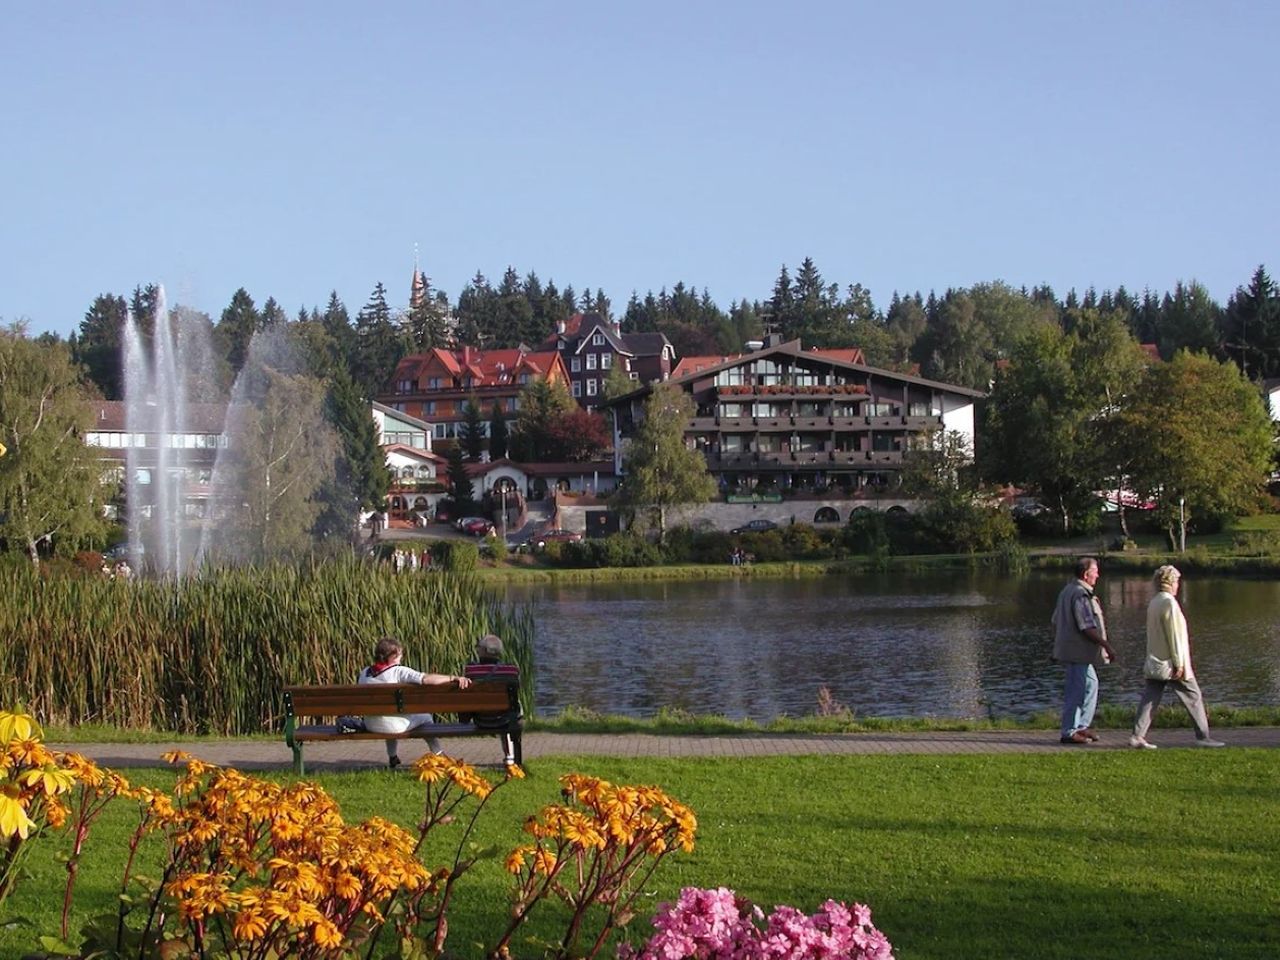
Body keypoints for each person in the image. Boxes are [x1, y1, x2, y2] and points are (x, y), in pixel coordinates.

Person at [1130, 565, 1225, 749]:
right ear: (1171, 582)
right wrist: (1179, 663)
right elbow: (1174, 636)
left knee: (1150, 697)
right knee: (1193, 696)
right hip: (1171, 663)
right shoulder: (1169, 603)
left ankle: (1137, 735)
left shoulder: (1155, 601)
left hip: (1156, 661)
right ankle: (1203, 736)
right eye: (1176, 581)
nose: (1178, 585)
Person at [358, 636, 471, 769]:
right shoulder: (398, 671)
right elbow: (426, 679)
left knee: (389, 714)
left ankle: (392, 756)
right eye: (400, 654)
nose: (401, 657)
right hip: (394, 727)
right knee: (426, 717)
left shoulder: (365, 672)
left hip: (371, 724)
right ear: (393, 656)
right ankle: (438, 753)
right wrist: (453, 677)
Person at [1051, 557, 1116, 744]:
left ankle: (1081, 726)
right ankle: (1069, 731)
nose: (1098, 574)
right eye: (1095, 571)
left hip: (1073, 651)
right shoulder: (1080, 594)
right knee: (1077, 691)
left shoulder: (1067, 591)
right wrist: (1106, 645)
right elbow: (1086, 626)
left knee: (1091, 685)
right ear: (1086, 574)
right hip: (1076, 652)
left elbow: (1055, 621)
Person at [463, 633, 522, 767]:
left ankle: (509, 756)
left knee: (500, 709)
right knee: (510, 708)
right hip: (505, 718)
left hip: (480, 719)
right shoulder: (511, 670)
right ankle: (510, 757)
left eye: (478, 648)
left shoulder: (471, 670)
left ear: (483, 651)